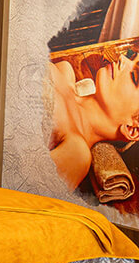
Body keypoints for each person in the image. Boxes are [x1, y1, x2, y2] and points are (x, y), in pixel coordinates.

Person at [48, 51, 139, 188]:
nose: (122, 58)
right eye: (131, 56)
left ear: (132, 129)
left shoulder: (76, 154)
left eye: (135, 77)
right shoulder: (66, 71)